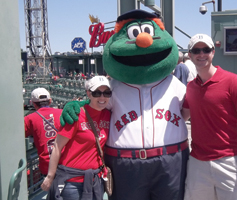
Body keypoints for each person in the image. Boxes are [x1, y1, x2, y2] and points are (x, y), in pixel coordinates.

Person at [61, 10, 189, 200]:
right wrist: (77, 105)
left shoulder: (174, 85)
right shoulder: (112, 87)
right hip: (125, 164)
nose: (142, 40)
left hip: (171, 162)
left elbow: (188, 111)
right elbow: (93, 106)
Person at [182, 33, 237, 200]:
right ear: (190, 55)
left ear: (213, 52)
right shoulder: (190, 88)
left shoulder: (232, 81)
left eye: (206, 50)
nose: (201, 54)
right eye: (196, 50)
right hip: (197, 162)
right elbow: (181, 117)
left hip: (229, 160)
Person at [41, 76, 112, 200]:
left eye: (106, 93)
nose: (102, 97)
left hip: (96, 180)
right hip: (72, 182)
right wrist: (50, 176)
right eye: (97, 93)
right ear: (88, 94)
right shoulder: (76, 114)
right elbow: (57, 147)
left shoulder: (108, 114)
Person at [24, 87, 62, 175]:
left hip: (47, 168)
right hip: (67, 165)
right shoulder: (62, 113)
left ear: (33, 103)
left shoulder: (29, 119)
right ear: (50, 101)